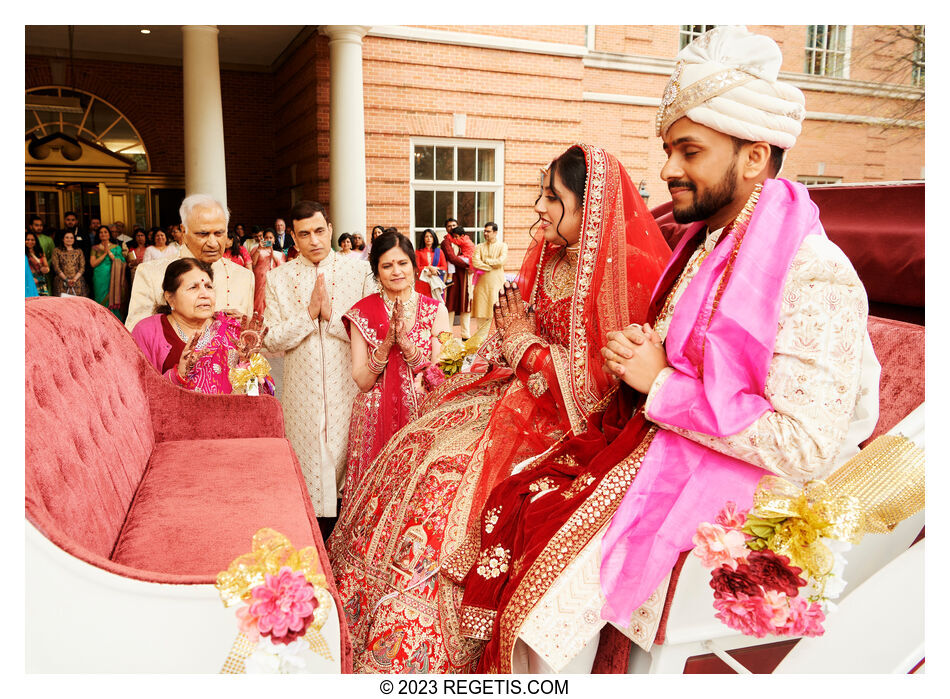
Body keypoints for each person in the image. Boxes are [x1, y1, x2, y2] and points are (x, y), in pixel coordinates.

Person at [458, 26, 883, 674]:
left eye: (689, 150)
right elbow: (702, 353)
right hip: (661, 450)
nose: (667, 169)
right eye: (668, 148)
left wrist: (661, 383)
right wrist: (646, 348)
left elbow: (805, 443)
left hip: (731, 488)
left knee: (541, 626)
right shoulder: (710, 247)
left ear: (753, 157)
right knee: (519, 512)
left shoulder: (812, 271)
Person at [326, 143, 670, 674]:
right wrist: (478, 365)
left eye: (552, 198)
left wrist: (523, 345)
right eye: (539, 194)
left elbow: (602, 388)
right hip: (511, 393)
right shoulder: (549, 258)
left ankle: (424, 650)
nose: (538, 208)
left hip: (563, 422)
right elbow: (504, 334)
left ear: (591, 206)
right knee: (416, 446)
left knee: (447, 488)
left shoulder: (618, 275)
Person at [262, 200, 375, 521]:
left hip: (349, 388)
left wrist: (334, 318)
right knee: (308, 477)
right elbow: (271, 338)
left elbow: (372, 335)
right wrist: (309, 315)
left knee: (350, 471)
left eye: (319, 231)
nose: (314, 241)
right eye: (304, 234)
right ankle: (314, 546)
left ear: (330, 230)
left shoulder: (359, 272)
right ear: (293, 240)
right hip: (302, 395)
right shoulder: (279, 278)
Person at [340, 231, 450, 504]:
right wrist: (386, 344)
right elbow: (363, 381)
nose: (396, 271)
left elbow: (442, 377)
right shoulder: (361, 313)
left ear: (414, 265)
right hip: (375, 423)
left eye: (402, 263)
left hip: (420, 419)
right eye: (386, 266)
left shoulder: (436, 310)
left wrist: (408, 347)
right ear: (376, 272)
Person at [131, 258, 269, 394]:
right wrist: (177, 375)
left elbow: (255, 397)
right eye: (193, 287)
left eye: (209, 287)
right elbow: (137, 392)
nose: (205, 294)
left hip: (229, 415)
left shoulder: (232, 329)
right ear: (170, 298)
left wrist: (250, 363)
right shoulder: (148, 331)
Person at [125, 194, 255, 332]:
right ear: (183, 231)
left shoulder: (244, 277)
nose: (212, 243)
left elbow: (248, 339)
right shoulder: (151, 273)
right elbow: (136, 336)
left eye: (219, 233)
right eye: (203, 234)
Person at [470, 222, 508, 334]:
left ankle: (494, 342)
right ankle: (480, 344)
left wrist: (486, 261)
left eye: (488, 231)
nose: (485, 233)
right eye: (484, 231)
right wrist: (491, 266)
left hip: (496, 284)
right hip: (481, 285)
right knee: (481, 315)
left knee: (496, 313)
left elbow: (501, 261)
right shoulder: (479, 247)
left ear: (495, 232)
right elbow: (476, 262)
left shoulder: (503, 246)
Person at [440, 220, 475, 339]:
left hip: (464, 276)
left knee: (465, 303)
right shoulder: (446, 242)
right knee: (450, 303)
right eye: (449, 226)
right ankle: (448, 334)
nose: (451, 228)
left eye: (453, 225)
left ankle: (465, 334)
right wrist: (469, 265)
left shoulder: (459, 239)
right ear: (445, 228)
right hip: (452, 277)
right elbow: (452, 258)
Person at [89, 225, 127, 320]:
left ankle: (113, 320)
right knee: (100, 296)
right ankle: (101, 319)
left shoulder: (116, 247)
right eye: (101, 232)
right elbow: (93, 264)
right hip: (99, 276)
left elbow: (120, 261)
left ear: (109, 234)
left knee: (112, 296)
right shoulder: (95, 248)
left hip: (113, 275)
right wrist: (105, 253)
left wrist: (109, 252)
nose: (103, 234)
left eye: (105, 232)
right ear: (98, 235)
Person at [251, 228, 285, 314]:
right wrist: (259, 249)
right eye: (266, 237)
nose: (268, 240)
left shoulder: (279, 253)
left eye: (271, 238)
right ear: (263, 239)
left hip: (272, 280)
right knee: (258, 301)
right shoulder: (256, 249)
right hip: (259, 279)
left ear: (274, 240)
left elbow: (281, 268)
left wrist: (272, 252)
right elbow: (253, 264)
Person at [50, 231, 88, 297]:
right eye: (67, 237)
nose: (69, 239)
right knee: (62, 304)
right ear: (63, 239)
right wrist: (67, 280)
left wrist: (74, 280)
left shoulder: (79, 251)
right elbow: (56, 267)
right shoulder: (56, 251)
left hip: (77, 282)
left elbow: (82, 267)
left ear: (74, 239)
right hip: (61, 282)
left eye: (71, 238)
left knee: (77, 304)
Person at [414, 228, 448, 300]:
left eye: (431, 236)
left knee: (436, 304)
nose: (429, 238)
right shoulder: (418, 252)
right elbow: (416, 268)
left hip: (436, 281)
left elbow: (444, 267)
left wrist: (434, 270)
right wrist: (429, 268)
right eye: (426, 236)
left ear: (434, 238)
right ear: (423, 238)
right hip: (423, 282)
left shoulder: (439, 251)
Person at [28, 217, 55, 291]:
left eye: (41, 225)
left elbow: (53, 255)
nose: (39, 227)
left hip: (44, 273)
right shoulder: (26, 239)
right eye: (36, 225)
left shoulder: (48, 239)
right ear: (31, 226)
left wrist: (45, 267)